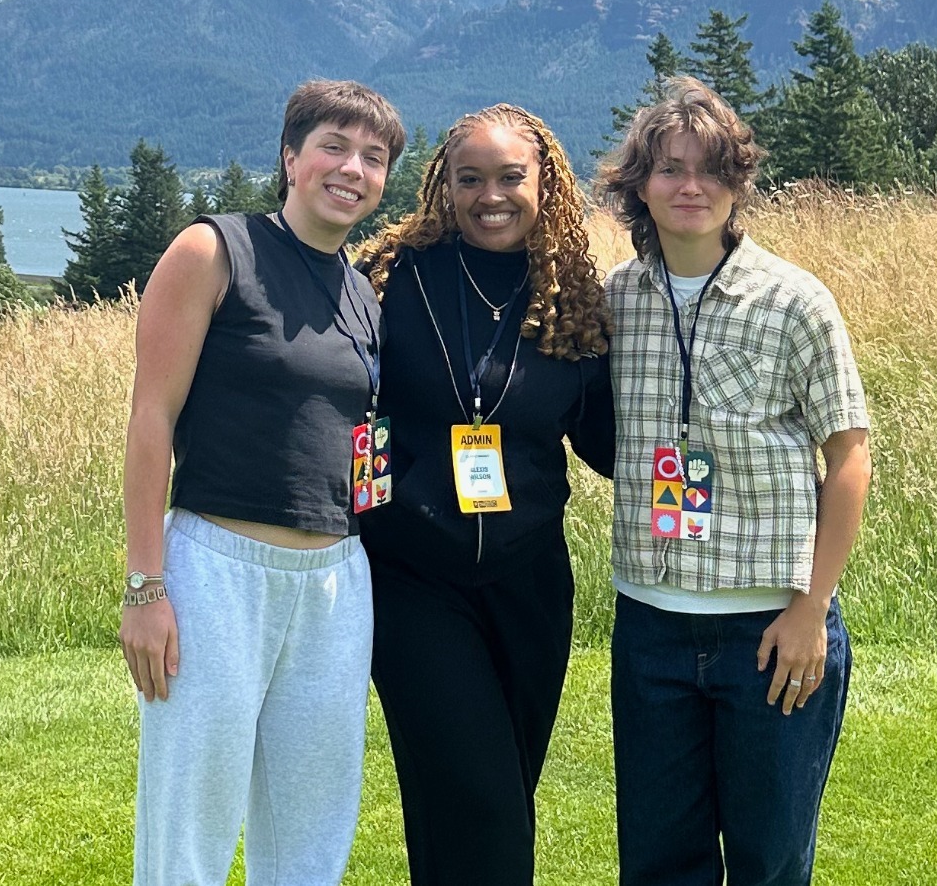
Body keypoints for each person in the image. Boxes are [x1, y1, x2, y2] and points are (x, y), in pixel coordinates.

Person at [119, 79, 406, 886]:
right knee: (189, 826)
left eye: (373, 157)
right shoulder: (214, 250)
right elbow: (151, 421)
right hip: (217, 570)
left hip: (336, 584)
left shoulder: (361, 294)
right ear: (290, 156)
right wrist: (146, 589)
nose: (352, 168)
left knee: (312, 830)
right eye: (334, 147)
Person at [594, 76, 872, 886]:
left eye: (711, 169)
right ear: (638, 185)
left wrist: (811, 609)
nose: (691, 186)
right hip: (649, 627)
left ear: (739, 183)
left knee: (769, 861)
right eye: (670, 167)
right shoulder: (617, 302)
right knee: (657, 862)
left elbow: (849, 458)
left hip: (772, 628)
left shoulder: (795, 301)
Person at [354, 103, 615, 886]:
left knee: (485, 798)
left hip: (531, 584)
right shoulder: (393, 283)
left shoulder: (571, 298)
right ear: (443, 186)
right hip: (412, 581)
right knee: (483, 800)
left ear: (547, 184)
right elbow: (348, 414)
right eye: (470, 179)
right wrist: (356, 522)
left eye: (510, 177)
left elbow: (607, 445)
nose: (489, 195)